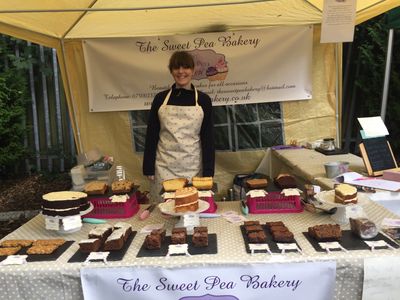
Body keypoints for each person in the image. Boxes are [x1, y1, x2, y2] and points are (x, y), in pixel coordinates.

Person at [143, 51, 215, 202]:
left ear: (193, 70)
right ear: (171, 71)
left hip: (193, 167)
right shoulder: (160, 99)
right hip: (163, 167)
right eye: (176, 68)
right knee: (164, 211)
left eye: (186, 67)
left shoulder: (203, 100)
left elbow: (208, 138)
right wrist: (148, 167)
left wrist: (208, 171)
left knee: (189, 208)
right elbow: (152, 134)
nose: (181, 72)